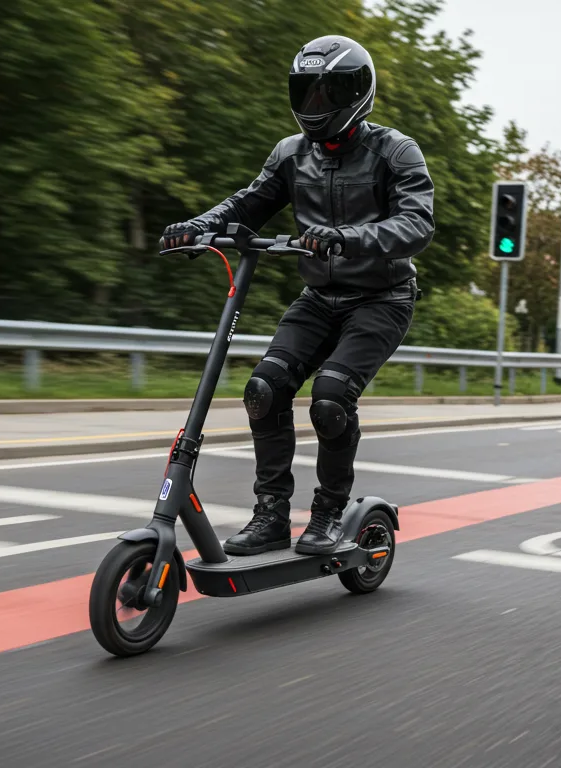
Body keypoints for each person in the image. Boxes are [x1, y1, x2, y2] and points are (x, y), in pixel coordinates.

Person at [160, 35, 435, 557]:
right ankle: (271, 516)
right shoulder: (291, 153)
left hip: (381, 299)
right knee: (263, 391)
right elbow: (249, 202)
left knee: (330, 399)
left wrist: (349, 238)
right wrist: (197, 228)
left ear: (356, 93)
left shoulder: (395, 151)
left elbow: (417, 223)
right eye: (306, 93)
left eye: (325, 94)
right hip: (318, 296)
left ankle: (330, 512)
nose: (314, 107)